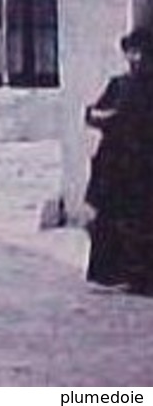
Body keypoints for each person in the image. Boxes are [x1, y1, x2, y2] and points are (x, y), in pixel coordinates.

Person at [84, 26, 153, 293]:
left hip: (145, 163)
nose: (136, 59)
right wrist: (102, 117)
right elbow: (94, 112)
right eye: (131, 52)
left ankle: (144, 277)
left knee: (143, 221)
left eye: (142, 53)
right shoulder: (119, 84)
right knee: (113, 218)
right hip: (116, 162)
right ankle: (116, 273)